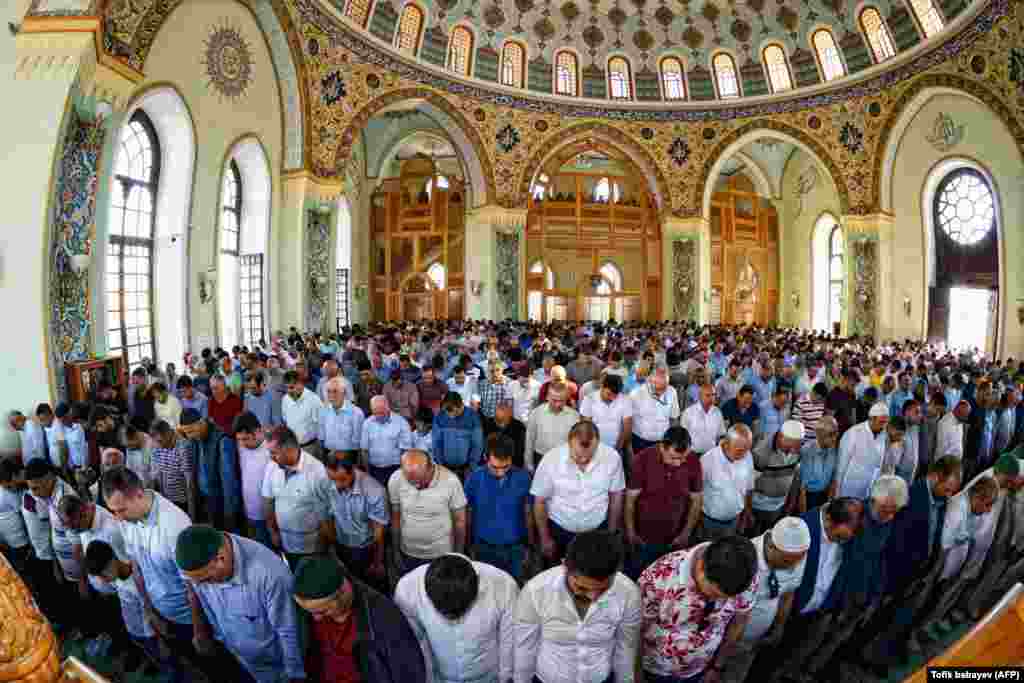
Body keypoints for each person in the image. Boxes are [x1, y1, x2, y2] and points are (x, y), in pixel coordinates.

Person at [863, 456, 963, 668]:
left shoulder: (941, 499)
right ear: (935, 476)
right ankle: (859, 657)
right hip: (894, 573)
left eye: (952, 491)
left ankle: (875, 655)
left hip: (915, 574)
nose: (950, 495)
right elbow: (895, 542)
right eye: (947, 489)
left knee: (889, 618)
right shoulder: (910, 496)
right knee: (873, 618)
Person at [805, 475, 908, 679]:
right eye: (885, 509)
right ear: (873, 499)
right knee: (811, 638)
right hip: (834, 593)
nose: (888, 515)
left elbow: (882, 559)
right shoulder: (852, 516)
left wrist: (875, 595)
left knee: (836, 640)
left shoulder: (891, 523)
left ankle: (813, 672)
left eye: (893, 511)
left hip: (861, 596)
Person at [101, 466, 197, 683]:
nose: (117, 518)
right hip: (159, 611)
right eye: (113, 511)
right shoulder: (126, 521)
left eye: (121, 510)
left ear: (138, 494)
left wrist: (199, 630)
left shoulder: (176, 525)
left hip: (187, 617)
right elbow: (137, 566)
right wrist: (149, 609)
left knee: (203, 665)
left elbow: (194, 586)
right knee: (178, 660)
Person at [175, 524, 305, 683]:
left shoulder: (271, 575)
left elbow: (288, 630)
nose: (200, 586)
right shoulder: (197, 563)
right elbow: (194, 591)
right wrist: (201, 631)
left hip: (275, 667)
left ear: (220, 559)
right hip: (239, 657)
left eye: (206, 580)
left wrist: (294, 674)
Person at [514, 530, 641, 683]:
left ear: (616, 573)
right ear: (565, 567)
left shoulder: (629, 593)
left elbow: (625, 649)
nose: (593, 597)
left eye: (603, 589)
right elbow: (525, 648)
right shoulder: (535, 591)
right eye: (582, 588)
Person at [768, 497, 865, 683]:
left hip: (817, 614)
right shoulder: (799, 529)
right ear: (829, 520)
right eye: (839, 537)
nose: (842, 542)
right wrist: (779, 620)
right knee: (768, 662)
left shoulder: (849, 534)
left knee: (789, 661)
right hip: (787, 614)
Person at [639, 534, 759, 683]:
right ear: (702, 566)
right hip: (656, 670)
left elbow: (739, 621)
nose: (718, 602)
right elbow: (636, 630)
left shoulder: (744, 577)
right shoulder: (659, 575)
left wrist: (717, 666)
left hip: (702, 670)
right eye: (714, 594)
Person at [292, 554, 427, 683]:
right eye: (310, 612)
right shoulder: (310, 608)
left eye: (322, 611)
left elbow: (409, 673)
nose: (316, 618)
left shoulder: (385, 618)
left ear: (341, 595)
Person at [395, 553, 518, 683]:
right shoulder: (408, 590)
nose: (452, 619)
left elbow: (508, 641)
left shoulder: (503, 586)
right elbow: (415, 642)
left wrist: (505, 677)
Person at [720, 518, 810, 683]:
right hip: (724, 640)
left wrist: (779, 626)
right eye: (786, 561)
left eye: (798, 560)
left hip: (753, 643)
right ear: (771, 547)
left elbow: (788, 594)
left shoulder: (797, 556)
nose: (793, 566)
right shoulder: (744, 560)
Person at [532, 421, 625, 566]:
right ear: (569, 442)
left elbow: (616, 495)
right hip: (560, 531)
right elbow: (539, 501)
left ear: (598, 444)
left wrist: (611, 534)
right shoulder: (551, 460)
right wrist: (545, 538)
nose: (583, 460)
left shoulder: (612, 458)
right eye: (578, 455)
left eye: (590, 456)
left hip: (597, 531)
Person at [624, 426, 703, 580]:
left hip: (675, 539)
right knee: (640, 575)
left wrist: (686, 533)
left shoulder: (693, 461)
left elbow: (696, 500)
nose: (679, 463)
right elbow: (630, 501)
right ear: (662, 447)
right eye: (673, 458)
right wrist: (631, 531)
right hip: (644, 538)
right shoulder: (642, 460)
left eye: (683, 458)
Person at [84, 539, 160, 676]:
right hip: (134, 629)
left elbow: (149, 611)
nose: (103, 579)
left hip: (149, 633)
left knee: (160, 655)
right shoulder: (116, 579)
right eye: (100, 576)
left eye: (103, 573)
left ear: (113, 559)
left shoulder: (138, 581)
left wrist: (153, 636)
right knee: (149, 653)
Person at [463, 434, 534, 581]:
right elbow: (467, 514)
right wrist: (468, 544)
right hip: (483, 548)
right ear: (485, 457)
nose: (500, 472)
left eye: (505, 466)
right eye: (495, 467)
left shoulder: (524, 478)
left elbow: (528, 513)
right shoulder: (474, 478)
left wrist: (530, 545)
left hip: (515, 549)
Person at [389, 449, 468, 577]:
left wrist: (458, 555)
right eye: (410, 481)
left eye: (419, 480)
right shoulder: (396, 479)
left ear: (430, 468)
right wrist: (396, 551)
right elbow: (395, 517)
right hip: (408, 553)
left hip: (441, 554)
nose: (416, 485)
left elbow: (460, 521)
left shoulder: (451, 481)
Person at [315, 450, 389, 585]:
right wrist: (332, 547)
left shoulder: (374, 491)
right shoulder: (323, 483)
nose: (337, 485)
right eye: (333, 479)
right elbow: (325, 518)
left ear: (353, 470)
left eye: (342, 479)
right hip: (340, 545)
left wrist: (377, 562)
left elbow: (378, 533)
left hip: (366, 549)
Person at [262, 425, 330, 569]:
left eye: (274, 453)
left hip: (310, 549)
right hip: (283, 542)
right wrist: (272, 531)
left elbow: (325, 518)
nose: (271, 457)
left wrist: (321, 550)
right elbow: (268, 501)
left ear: (289, 449)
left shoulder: (317, 472)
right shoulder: (272, 466)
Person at [179, 408, 241, 531]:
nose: (189, 436)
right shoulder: (195, 439)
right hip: (205, 499)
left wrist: (229, 514)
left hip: (221, 502)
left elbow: (228, 483)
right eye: (186, 433)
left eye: (191, 431)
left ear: (201, 423)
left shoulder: (222, 440)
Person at [699, 425, 755, 541]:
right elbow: (697, 494)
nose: (744, 455)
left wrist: (746, 514)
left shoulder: (747, 456)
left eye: (747, 450)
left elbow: (748, 488)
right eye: (739, 451)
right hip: (709, 523)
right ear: (726, 443)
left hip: (735, 520)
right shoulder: (707, 460)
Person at [750, 420, 805, 533]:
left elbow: (795, 476)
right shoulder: (761, 452)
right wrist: (748, 511)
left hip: (780, 505)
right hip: (758, 507)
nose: (794, 449)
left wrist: (791, 503)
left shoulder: (797, 449)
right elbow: (749, 484)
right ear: (780, 437)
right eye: (791, 445)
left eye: (797, 445)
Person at [833, 402, 890, 499]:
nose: (884, 426)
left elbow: (879, 464)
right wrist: (836, 491)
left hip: (869, 489)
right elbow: (841, 464)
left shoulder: (884, 435)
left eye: (886, 422)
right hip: (849, 488)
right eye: (881, 422)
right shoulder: (853, 433)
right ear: (872, 419)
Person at [233, 412, 274, 547]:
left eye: (246, 439)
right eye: (239, 439)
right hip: (248, 511)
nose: (242, 443)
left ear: (258, 431)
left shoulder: (271, 450)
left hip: (269, 515)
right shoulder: (240, 446)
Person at [524, 385, 580, 472]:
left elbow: (576, 442)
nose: (558, 404)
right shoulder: (536, 413)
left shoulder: (574, 416)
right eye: (554, 400)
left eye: (561, 400)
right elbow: (530, 439)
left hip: (564, 459)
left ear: (566, 399)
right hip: (541, 457)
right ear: (547, 397)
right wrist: (528, 464)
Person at [360, 395, 413, 487]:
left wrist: (402, 471)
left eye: (381, 413)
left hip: (395, 468)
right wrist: (367, 471)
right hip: (374, 468)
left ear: (388, 408)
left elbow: (405, 450)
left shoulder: (401, 423)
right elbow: (364, 450)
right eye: (375, 413)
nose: (378, 416)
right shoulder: (367, 423)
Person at [630, 365, 682, 457]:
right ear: (650, 381)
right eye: (658, 389)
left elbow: (674, 417)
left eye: (664, 388)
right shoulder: (636, 394)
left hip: (663, 441)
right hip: (640, 441)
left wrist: (672, 439)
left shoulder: (672, 391)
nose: (661, 393)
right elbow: (628, 420)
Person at [432, 392, 484, 478]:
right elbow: (436, 443)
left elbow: (477, 444)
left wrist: (471, 466)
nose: (451, 416)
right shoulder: (439, 416)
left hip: (467, 469)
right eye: (448, 412)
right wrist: (440, 464)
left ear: (461, 405)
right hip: (445, 468)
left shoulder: (473, 417)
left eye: (455, 412)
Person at [580, 374, 633, 455]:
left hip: (616, 446)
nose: (612, 398)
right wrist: (593, 447)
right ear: (602, 387)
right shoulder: (589, 399)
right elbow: (587, 426)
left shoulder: (625, 400)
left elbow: (627, 427)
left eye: (615, 396)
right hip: (594, 446)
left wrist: (618, 447)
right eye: (609, 394)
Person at [317, 377, 365, 457]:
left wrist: (343, 453)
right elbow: (321, 437)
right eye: (328, 391)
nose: (331, 395)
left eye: (335, 391)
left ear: (344, 393)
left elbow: (358, 442)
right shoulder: (323, 411)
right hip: (328, 454)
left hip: (349, 455)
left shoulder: (356, 413)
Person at [281, 370, 324, 459]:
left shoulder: (314, 400)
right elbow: (286, 421)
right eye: (286, 388)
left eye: (291, 387)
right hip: (293, 448)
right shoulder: (285, 399)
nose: (288, 391)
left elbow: (322, 425)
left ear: (301, 384)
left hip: (311, 447)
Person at [800, 416, 839, 509]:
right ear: (820, 435)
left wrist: (829, 502)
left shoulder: (833, 449)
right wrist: (804, 512)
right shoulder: (807, 451)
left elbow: (833, 478)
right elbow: (802, 489)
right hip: (810, 497)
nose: (835, 438)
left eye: (836, 433)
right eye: (831, 434)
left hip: (825, 494)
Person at [681, 384, 726, 456]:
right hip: (693, 454)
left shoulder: (718, 412)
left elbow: (721, 434)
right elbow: (682, 436)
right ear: (700, 396)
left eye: (713, 395)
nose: (712, 398)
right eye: (708, 395)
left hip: (712, 454)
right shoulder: (688, 412)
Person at [483, 400, 527, 469]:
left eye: (504, 420)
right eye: (497, 420)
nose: (500, 424)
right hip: (491, 463)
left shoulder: (519, 427)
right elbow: (484, 447)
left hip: (512, 465)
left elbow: (520, 451)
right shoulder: (487, 424)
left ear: (510, 414)